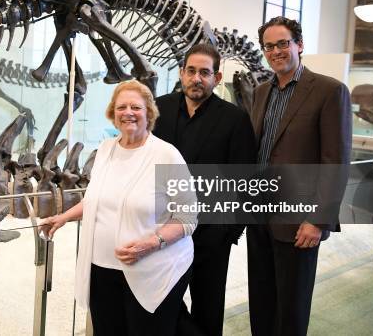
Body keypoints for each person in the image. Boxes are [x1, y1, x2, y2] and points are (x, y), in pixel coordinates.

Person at [41, 80, 197, 336]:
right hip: (102, 267)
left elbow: (188, 217)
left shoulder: (166, 155)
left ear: (149, 112)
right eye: (121, 107)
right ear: (113, 113)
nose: (128, 112)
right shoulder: (105, 149)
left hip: (152, 269)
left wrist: (150, 243)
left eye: (136, 107)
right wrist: (62, 217)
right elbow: (95, 199)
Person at [248, 16, 352, 336]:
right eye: (269, 46)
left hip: (299, 221)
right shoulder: (261, 91)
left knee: (291, 309)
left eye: (283, 43)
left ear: (299, 45)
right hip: (259, 215)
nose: (276, 51)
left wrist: (318, 219)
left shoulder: (329, 91)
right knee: (261, 301)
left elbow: (335, 160)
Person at [153, 43, 257, 336]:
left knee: (208, 307)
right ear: (182, 73)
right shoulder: (159, 108)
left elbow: (245, 179)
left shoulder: (235, 119)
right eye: (191, 71)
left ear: (217, 78)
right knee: (161, 303)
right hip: (162, 230)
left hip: (210, 234)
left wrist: (228, 233)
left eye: (205, 73)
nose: (196, 78)